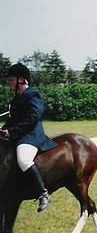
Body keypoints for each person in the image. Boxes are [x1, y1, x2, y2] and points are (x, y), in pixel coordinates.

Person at [0, 63, 57, 212]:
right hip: (18, 135)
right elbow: (13, 120)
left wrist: (12, 132)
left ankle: (43, 194)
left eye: (11, 80)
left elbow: (33, 118)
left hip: (31, 136)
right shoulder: (16, 99)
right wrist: (3, 129)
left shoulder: (33, 95)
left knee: (23, 160)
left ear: (21, 80)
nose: (9, 83)